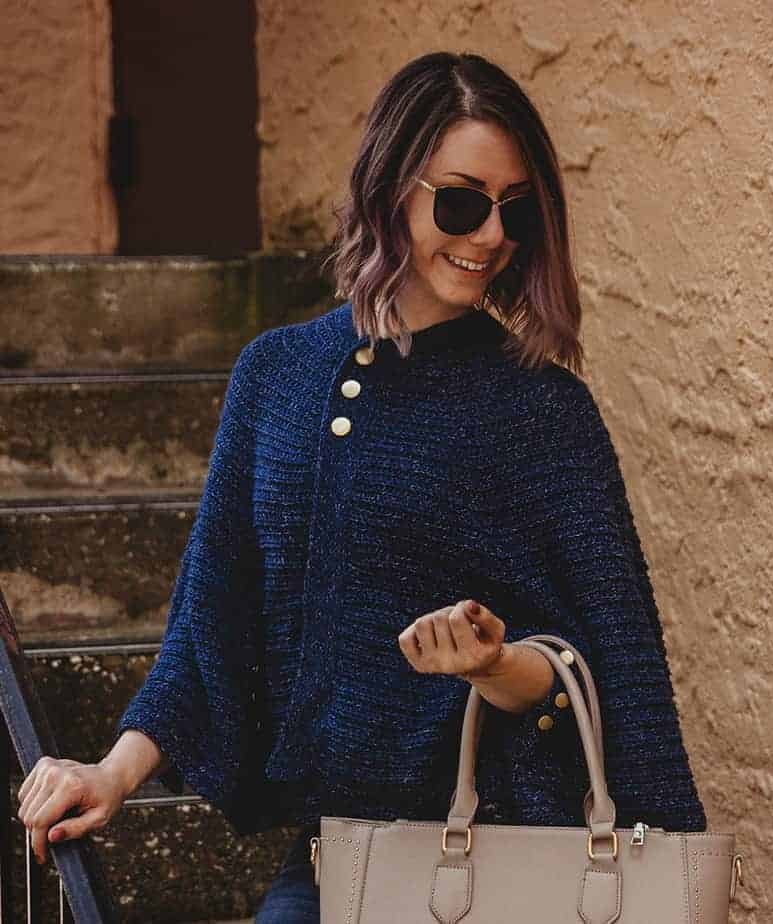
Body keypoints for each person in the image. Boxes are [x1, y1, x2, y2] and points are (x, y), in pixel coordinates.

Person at [16, 51, 707, 921]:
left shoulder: (542, 410)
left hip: (497, 869)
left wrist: (495, 666)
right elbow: (210, 623)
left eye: (515, 210)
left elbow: (606, 670)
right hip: (334, 865)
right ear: (391, 186)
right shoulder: (275, 376)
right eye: (460, 201)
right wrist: (110, 771)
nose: (490, 235)